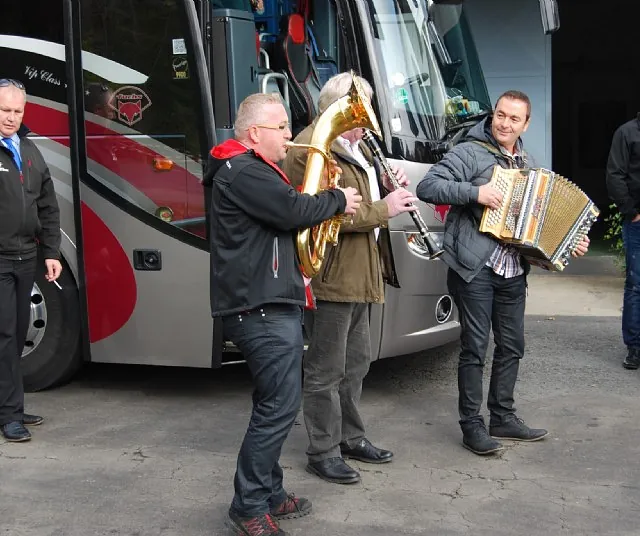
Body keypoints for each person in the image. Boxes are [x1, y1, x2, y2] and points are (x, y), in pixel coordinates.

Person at [204, 92, 362, 536]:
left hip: (267, 304)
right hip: (262, 309)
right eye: (281, 128)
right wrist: (336, 200)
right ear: (255, 133)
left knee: (273, 404)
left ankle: (270, 493)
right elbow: (293, 210)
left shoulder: (246, 168)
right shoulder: (245, 170)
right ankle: (249, 505)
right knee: (277, 408)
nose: (290, 137)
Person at [416, 90, 590, 455]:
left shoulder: (529, 163)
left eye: (514, 118)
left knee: (512, 346)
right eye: (500, 115)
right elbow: (428, 186)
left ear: (526, 124)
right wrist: (474, 193)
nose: (504, 123)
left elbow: (541, 223)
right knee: (475, 348)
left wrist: (568, 242)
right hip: (474, 267)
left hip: (512, 270)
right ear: (492, 115)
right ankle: (472, 426)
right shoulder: (469, 151)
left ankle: (503, 417)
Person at [282, 72, 417, 484]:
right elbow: (320, 215)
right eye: (360, 112)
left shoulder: (350, 146)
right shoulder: (312, 148)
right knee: (326, 369)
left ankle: (351, 437)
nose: (366, 122)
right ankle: (322, 450)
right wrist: (386, 209)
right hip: (331, 275)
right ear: (337, 108)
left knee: (356, 363)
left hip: (360, 271)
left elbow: (358, 200)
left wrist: (387, 190)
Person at [0, 78, 62, 442]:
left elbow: (48, 206)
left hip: (26, 259)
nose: (11, 117)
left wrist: (51, 252)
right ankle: (10, 414)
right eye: (4, 110)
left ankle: (11, 406)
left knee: (17, 335)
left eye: (17, 111)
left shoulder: (29, 150)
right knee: (6, 336)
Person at [606, 114, 640, 370]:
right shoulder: (627, 132)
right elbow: (614, 176)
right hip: (638, 222)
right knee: (637, 285)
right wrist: (631, 211)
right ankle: (635, 347)